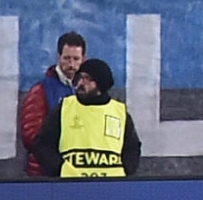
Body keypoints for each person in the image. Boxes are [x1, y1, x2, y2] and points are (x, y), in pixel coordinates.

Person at [33, 58, 141, 180]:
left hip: (111, 187)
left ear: (100, 84)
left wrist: (125, 170)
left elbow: (132, 148)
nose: (81, 83)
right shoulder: (65, 108)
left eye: (88, 79)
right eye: (80, 77)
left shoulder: (119, 111)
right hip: (71, 185)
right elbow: (41, 144)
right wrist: (59, 168)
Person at [20, 30, 87, 175]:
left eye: (76, 59)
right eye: (66, 58)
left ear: (83, 59)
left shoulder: (89, 91)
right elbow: (31, 135)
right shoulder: (40, 91)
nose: (71, 64)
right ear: (58, 57)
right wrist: (57, 160)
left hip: (79, 172)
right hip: (45, 174)